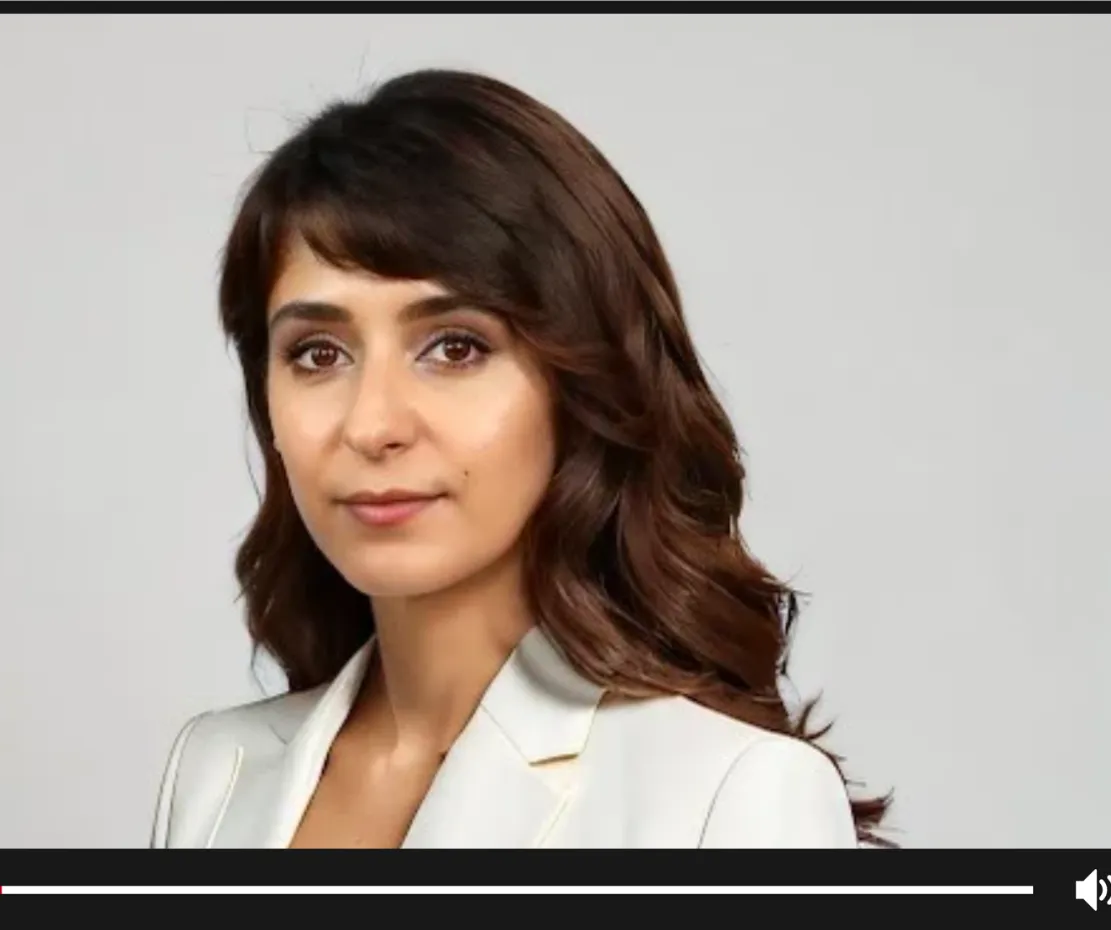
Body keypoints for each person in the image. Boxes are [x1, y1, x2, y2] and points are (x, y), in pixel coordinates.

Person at [151, 68, 892, 849]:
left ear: (581, 385)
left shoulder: (727, 794)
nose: (372, 424)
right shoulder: (215, 773)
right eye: (318, 353)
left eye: (456, 347)